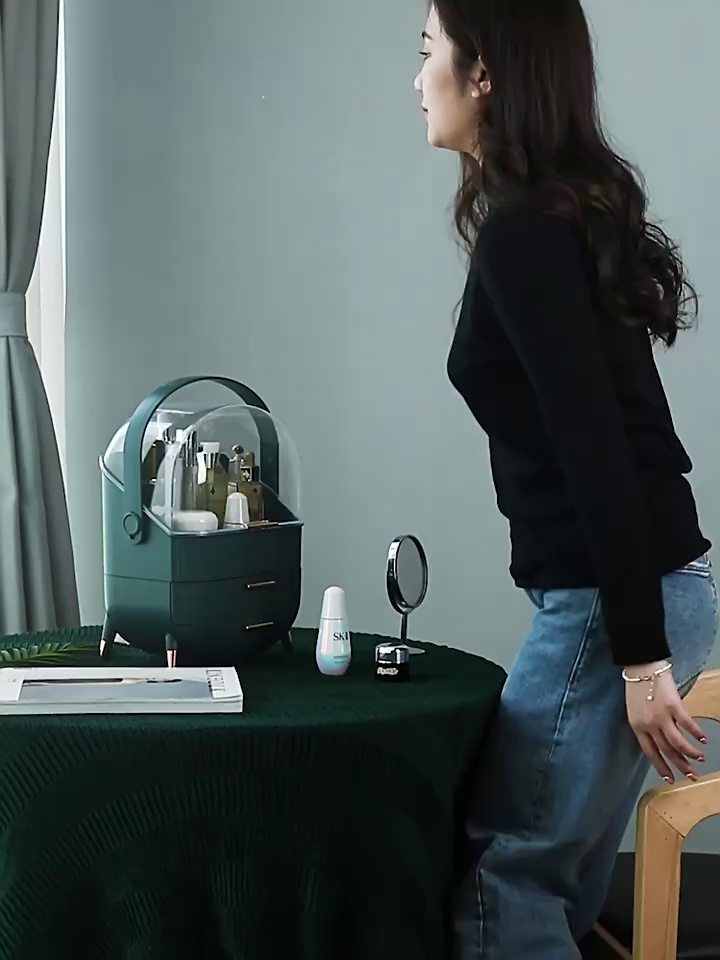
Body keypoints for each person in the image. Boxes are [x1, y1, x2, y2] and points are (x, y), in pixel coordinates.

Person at [413, 1, 718, 957]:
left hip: (613, 599)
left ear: (485, 74)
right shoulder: (554, 220)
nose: (417, 79)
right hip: (641, 591)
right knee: (558, 883)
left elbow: (598, 451)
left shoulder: (525, 235)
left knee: (505, 879)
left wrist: (640, 658)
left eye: (428, 52)